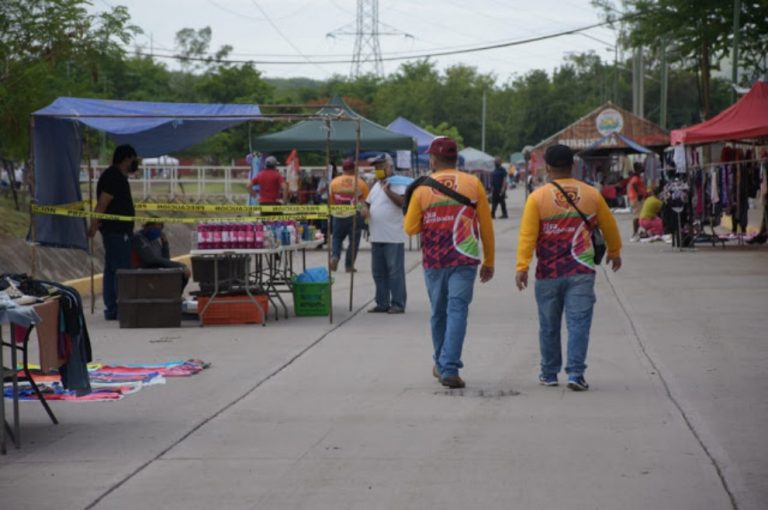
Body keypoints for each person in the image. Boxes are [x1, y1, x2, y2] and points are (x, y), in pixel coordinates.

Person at [515, 144, 622, 391]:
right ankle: (575, 374)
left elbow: (527, 236)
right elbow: (609, 226)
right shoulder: (592, 194)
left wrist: (522, 267)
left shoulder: (537, 198)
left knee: (549, 325)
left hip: (548, 274)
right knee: (579, 324)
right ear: (573, 165)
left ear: (548, 168)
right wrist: (614, 252)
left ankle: (549, 373)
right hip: (581, 271)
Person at [404, 136, 495, 389]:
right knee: (458, 311)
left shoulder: (422, 188)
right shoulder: (473, 184)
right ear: (456, 158)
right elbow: (486, 227)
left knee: (438, 312)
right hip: (465, 258)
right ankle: (449, 366)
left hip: (434, 261)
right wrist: (490, 260)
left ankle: (442, 363)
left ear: (432, 159)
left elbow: (410, 228)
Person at [88, 144, 139, 320]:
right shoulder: (113, 177)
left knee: (112, 270)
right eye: (133, 160)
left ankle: (113, 308)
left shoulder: (117, 176)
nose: (135, 163)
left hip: (118, 231)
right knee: (120, 270)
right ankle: (118, 307)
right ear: (126, 159)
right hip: (117, 232)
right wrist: (94, 225)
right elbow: (103, 203)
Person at [361, 155, 407, 314]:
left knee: (395, 272)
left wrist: (387, 191)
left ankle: (398, 303)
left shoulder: (398, 183)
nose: (378, 170)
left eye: (381, 166)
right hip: (376, 235)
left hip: (393, 236)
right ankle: (382, 302)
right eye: (376, 167)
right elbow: (367, 203)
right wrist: (365, 209)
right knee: (378, 272)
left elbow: (403, 203)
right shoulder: (375, 185)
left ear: (390, 168)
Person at [329, 159, 369, 272]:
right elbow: (365, 202)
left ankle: (335, 256)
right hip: (354, 215)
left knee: (337, 237)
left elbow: (331, 200)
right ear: (354, 169)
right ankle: (349, 265)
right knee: (354, 241)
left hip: (338, 213)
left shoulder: (334, 182)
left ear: (343, 169)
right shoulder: (360, 183)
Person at [133, 222, 191, 291]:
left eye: (159, 230)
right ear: (147, 226)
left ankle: (175, 297)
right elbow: (151, 259)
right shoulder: (138, 238)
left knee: (182, 274)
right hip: (142, 270)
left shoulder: (155, 241)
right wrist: (180, 266)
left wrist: (165, 243)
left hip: (154, 270)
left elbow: (165, 259)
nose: (157, 232)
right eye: (155, 229)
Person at [628, 162, 647, 240]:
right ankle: (635, 233)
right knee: (636, 216)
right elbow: (634, 184)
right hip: (636, 198)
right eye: (641, 166)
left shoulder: (637, 176)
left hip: (636, 198)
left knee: (638, 216)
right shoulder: (635, 177)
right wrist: (639, 193)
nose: (643, 167)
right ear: (638, 168)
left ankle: (636, 232)